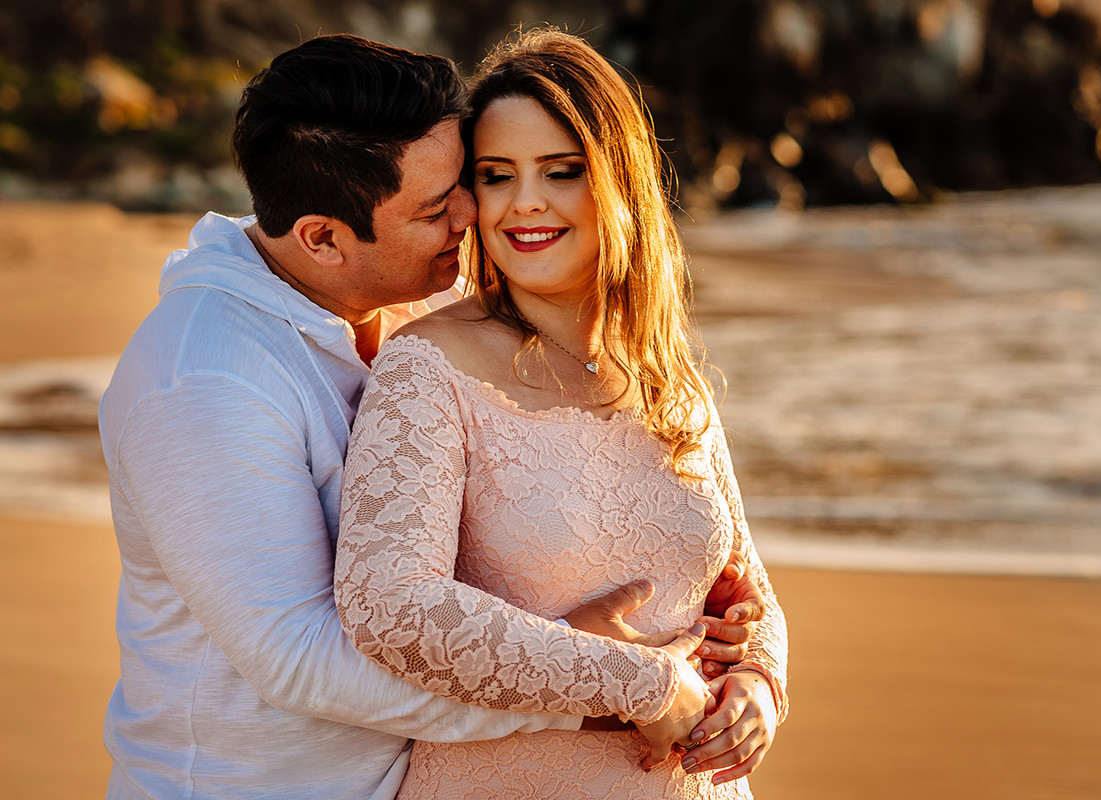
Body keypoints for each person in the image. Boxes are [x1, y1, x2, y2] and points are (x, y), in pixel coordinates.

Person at [99, 33, 763, 800]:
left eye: (465, 180)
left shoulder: (427, 293)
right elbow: (300, 658)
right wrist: (604, 683)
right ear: (324, 238)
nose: (474, 214)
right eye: (437, 206)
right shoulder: (204, 379)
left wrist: (751, 667)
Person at [334, 28, 788, 799]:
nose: (526, 203)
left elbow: (744, 584)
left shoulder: (664, 369)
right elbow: (390, 608)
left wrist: (759, 683)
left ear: (618, 178)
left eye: (561, 171)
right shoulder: (427, 368)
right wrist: (642, 683)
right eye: (497, 176)